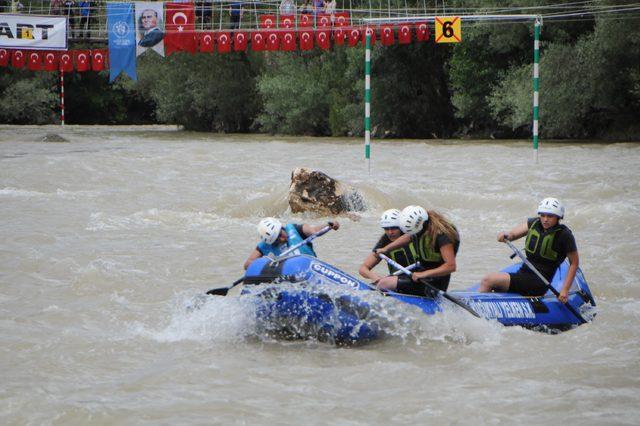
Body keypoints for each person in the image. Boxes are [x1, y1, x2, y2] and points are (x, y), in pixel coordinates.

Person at [479, 198, 579, 303]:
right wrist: (505, 235)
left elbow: (574, 263)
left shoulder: (564, 235)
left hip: (539, 282)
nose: (545, 219)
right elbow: (512, 235)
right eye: (543, 215)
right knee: (495, 285)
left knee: (487, 280)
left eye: (550, 216)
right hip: (523, 273)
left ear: (558, 217)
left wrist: (565, 290)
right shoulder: (534, 223)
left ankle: (479, 311)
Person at [375, 205, 459, 296]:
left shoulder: (442, 236)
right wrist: (386, 248)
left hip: (434, 282)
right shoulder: (423, 225)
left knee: (384, 284)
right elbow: (408, 237)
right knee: (387, 281)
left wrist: (424, 274)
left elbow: (451, 266)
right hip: (421, 274)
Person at [243, 217, 340, 270]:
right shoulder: (266, 245)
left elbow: (314, 231)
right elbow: (247, 264)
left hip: (310, 269)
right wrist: (267, 264)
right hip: (291, 276)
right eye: (276, 240)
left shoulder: (296, 229)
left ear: (281, 227)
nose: (280, 239)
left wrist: (329, 225)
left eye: (279, 235)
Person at [359, 209, 417, 284]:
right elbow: (363, 268)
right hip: (398, 280)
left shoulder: (414, 236)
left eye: (393, 228)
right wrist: (376, 279)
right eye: (386, 229)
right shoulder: (384, 242)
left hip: (420, 276)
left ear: (401, 227)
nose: (390, 232)